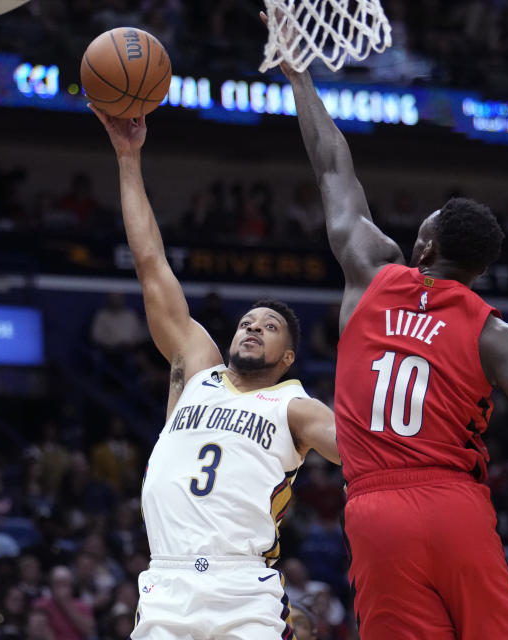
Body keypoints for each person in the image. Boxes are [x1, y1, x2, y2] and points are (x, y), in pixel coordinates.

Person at [269, 13, 508, 638]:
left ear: (422, 245)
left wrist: (298, 75)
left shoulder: (369, 272)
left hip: (374, 508)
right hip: (454, 504)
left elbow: (334, 168)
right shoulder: (497, 334)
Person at [88, 103, 341, 639]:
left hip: (243, 588)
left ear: (289, 357)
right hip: (167, 582)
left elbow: (365, 450)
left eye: (268, 326)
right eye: (247, 321)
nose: (251, 328)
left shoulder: (294, 406)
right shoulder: (195, 368)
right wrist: (128, 158)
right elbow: (151, 265)